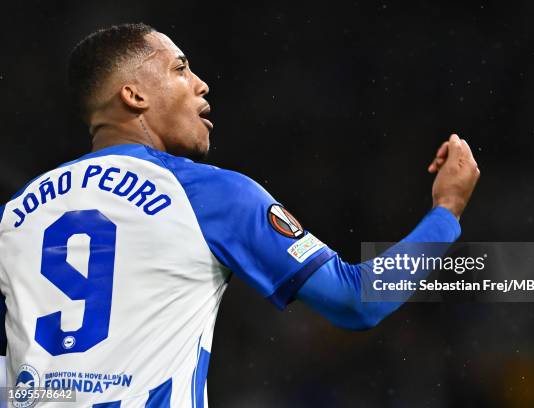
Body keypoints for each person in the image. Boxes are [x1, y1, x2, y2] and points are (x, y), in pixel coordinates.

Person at [0, 23, 479, 407]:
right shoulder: (207, 193)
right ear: (134, 95)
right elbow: (357, 300)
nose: (201, 84)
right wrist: (446, 210)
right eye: (180, 69)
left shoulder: (15, 213)